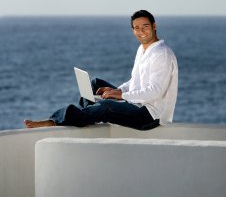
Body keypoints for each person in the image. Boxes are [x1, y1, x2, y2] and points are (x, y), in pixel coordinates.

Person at [24, 10, 178, 130]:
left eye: (145, 26)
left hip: (149, 116)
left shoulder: (160, 53)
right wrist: (117, 90)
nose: (141, 31)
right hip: (136, 104)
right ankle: (85, 116)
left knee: (106, 106)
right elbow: (135, 81)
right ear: (133, 30)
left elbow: (154, 91)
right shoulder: (143, 49)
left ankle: (55, 120)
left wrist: (121, 95)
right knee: (95, 84)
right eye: (137, 28)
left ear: (154, 26)